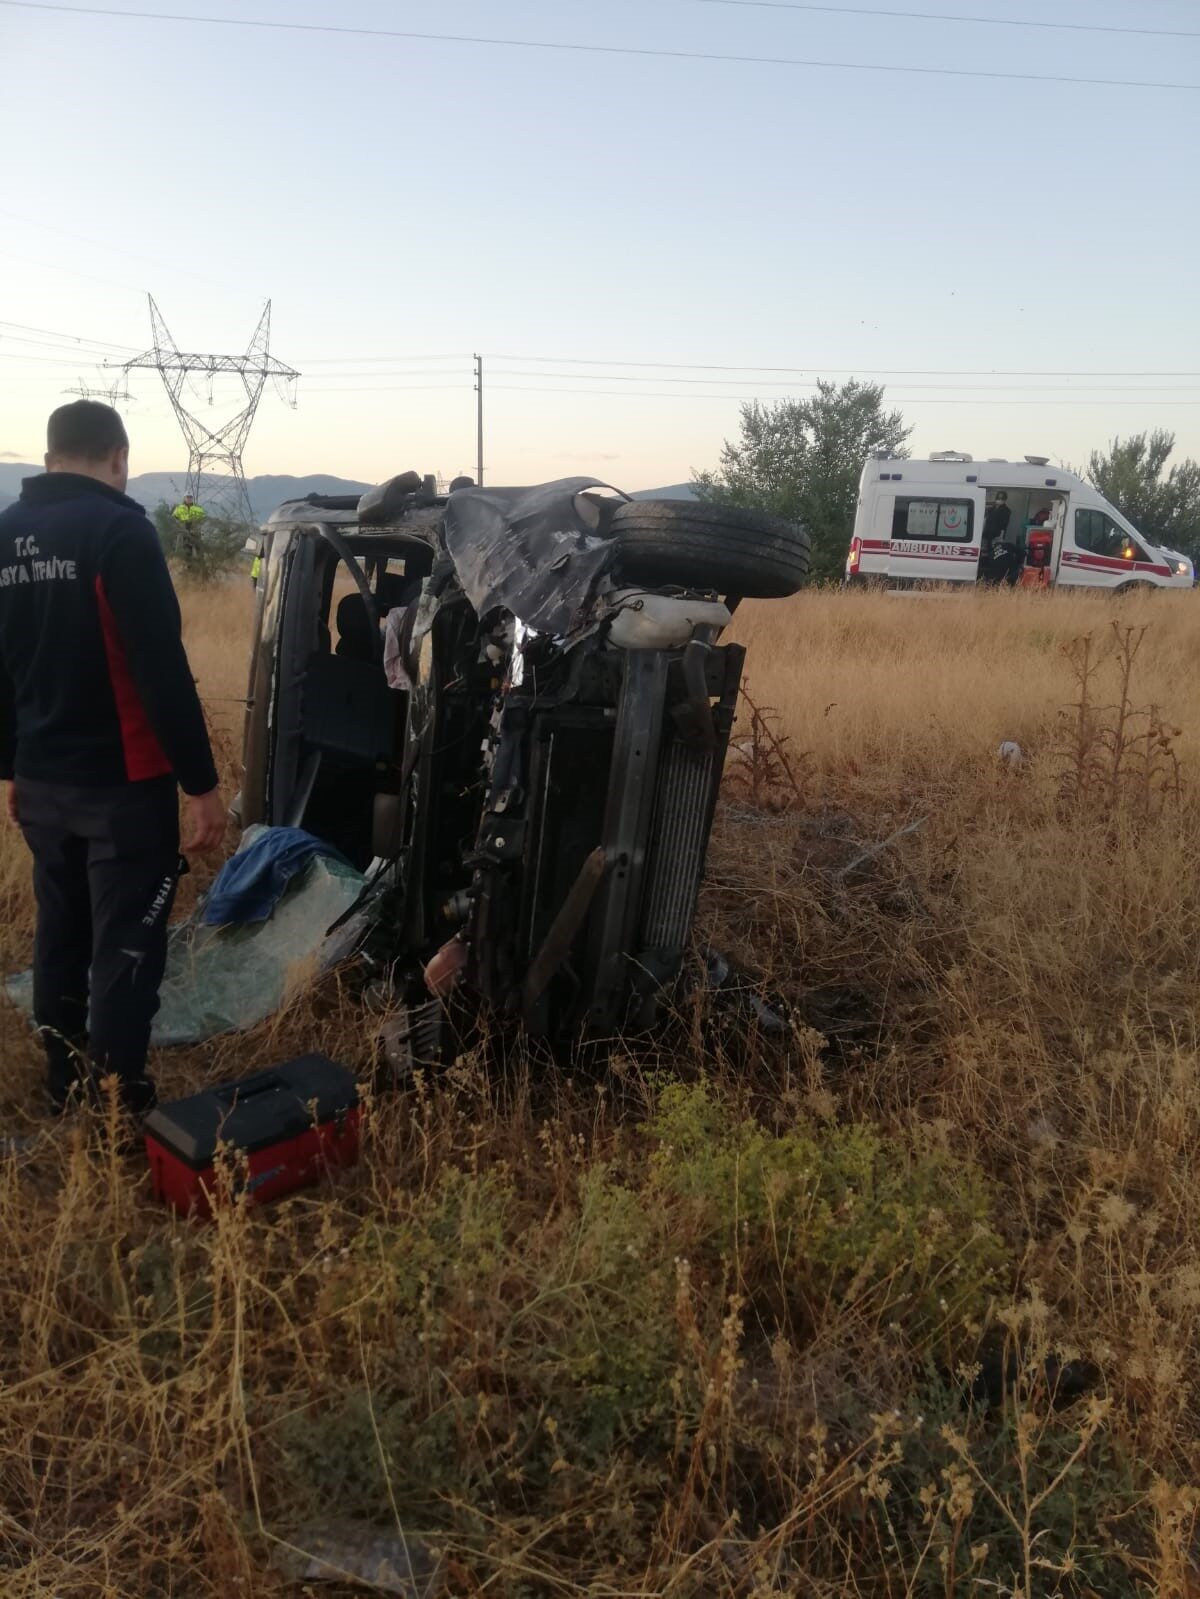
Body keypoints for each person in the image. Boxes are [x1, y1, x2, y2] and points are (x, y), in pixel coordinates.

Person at [0, 402, 226, 1118]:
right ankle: (114, 1110)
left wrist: (12, 766)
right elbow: (160, 671)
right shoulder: (120, 531)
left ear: (51, 454)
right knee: (126, 949)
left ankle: (65, 1083)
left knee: (60, 932)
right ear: (118, 457)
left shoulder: (5, 533)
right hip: (122, 793)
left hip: (40, 783)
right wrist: (202, 786)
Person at [172, 494, 206, 558]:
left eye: (190, 497)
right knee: (187, 549)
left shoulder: (197, 508)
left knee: (199, 547)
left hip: (195, 530)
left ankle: (201, 564)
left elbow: (204, 517)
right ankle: (189, 565)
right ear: (184, 498)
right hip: (185, 530)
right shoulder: (179, 508)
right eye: (187, 497)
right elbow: (174, 517)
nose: (189, 499)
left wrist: (198, 524)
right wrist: (180, 524)